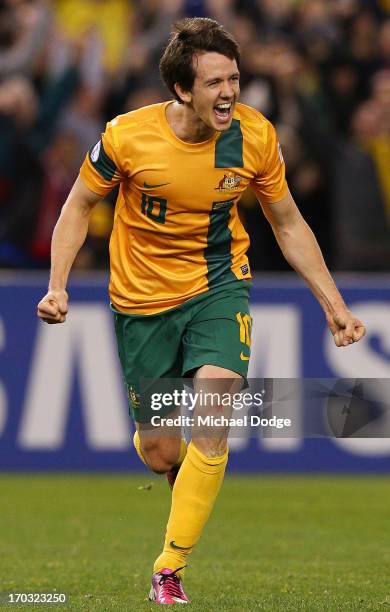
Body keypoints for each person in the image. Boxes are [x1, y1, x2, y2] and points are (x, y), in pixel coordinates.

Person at [37, 17, 366, 606]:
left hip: (218, 287)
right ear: (181, 89)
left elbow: (287, 221)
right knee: (162, 447)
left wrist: (333, 304)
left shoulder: (255, 137)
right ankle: (182, 476)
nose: (229, 93)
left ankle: (170, 567)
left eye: (234, 79)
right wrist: (58, 285)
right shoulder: (125, 137)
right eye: (215, 82)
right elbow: (78, 204)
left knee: (216, 407)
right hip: (140, 302)